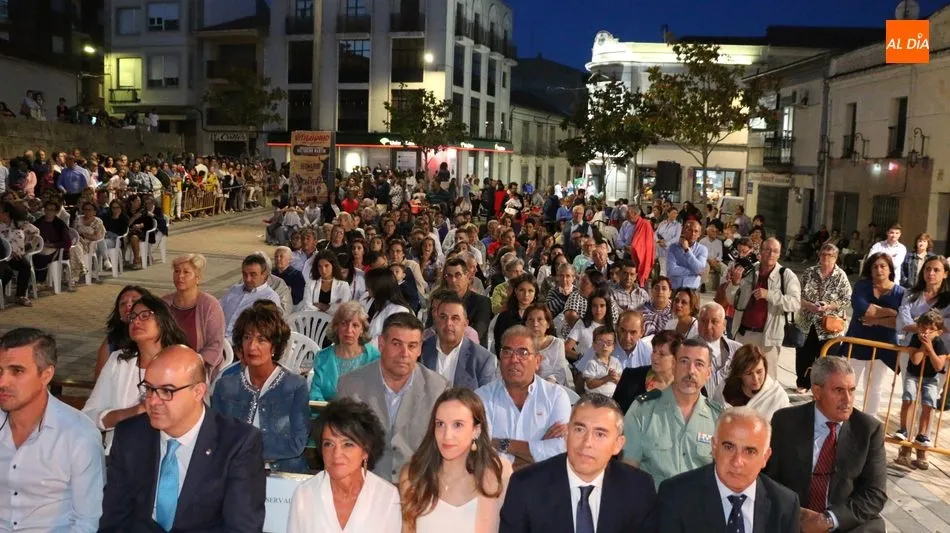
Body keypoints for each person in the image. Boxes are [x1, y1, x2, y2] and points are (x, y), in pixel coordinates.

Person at [99, 345, 267, 532]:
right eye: (149, 389)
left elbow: (241, 528)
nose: (153, 401)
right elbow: (114, 520)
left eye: (167, 391)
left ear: (198, 392)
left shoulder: (237, 444)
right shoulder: (130, 435)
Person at [499, 394, 659, 533]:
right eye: (579, 430)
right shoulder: (527, 486)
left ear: (618, 444)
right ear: (567, 434)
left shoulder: (638, 487)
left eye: (600, 434)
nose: (587, 443)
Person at [765, 356, 887, 533]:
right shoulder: (786, 421)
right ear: (817, 391)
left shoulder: (869, 430)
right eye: (838, 390)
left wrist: (829, 520)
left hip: (842, 522)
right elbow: (768, 478)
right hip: (794, 518)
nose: (847, 399)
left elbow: (875, 493)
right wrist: (795, 513)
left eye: (852, 390)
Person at [0, 328, 105, 532]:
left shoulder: (79, 435)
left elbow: (87, 522)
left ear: (46, 375)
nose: (2, 382)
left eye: (17, 371)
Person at [337, 312, 448, 482]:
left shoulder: (438, 389)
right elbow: (341, 446)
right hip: (365, 486)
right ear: (381, 344)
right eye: (397, 344)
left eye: (412, 346)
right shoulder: (351, 386)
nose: (404, 353)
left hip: (417, 487)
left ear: (420, 349)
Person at [656, 406, 800, 533]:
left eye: (749, 451)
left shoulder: (784, 504)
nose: (737, 462)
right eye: (729, 447)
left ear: (765, 457)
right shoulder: (676, 495)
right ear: (714, 448)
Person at [211, 301, 310, 473]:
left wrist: (247, 450)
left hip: (283, 475)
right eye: (247, 338)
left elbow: (297, 443)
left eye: (261, 339)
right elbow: (217, 438)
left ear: (274, 346)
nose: (252, 346)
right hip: (237, 474)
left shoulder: (295, 386)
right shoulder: (225, 386)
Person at [84, 293, 188, 454]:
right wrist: (131, 413)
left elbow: (195, 418)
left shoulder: (184, 362)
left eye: (145, 315)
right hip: (119, 453)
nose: (136, 321)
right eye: (132, 317)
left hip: (169, 454)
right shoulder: (118, 361)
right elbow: (88, 416)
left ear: (163, 320)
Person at [399, 388, 513, 533]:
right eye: (440, 424)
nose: (447, 435)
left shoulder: (498, 474)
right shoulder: (413, 476)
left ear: (476, 430)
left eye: (457, 425)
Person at [286, 398, 402, 533]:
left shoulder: (387, 496)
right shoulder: (304, 495)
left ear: (365, 451)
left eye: (347, 444)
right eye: (329, 444)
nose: (336, 454)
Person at [622, 338, 722, 488]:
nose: (691, 371)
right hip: (655, 500)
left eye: (699, 364)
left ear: (708, 373)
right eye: (684, 361)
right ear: (674, 366)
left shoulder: (719, 418)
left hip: (699, 501)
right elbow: (628, 470)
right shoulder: (643, 410)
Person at [476, 326, 572, 470]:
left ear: (538, 361)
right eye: (507, 352)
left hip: (544, 482)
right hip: (496, 483)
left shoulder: (555, 396)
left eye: (523, 353)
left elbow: (560, 450)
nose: (514, 359)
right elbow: (482, 454)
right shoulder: (481, 397)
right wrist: (539, 452)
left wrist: (503, 443)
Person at [726, 238, 801, 380]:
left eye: (775, 251)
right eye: (767, 250)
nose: (771, 254)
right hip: (744, 334)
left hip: (769, 338)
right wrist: (734, 284)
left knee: (767, 380)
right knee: (740, 378)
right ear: (760, 252)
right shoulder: (748, 271)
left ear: (779, 254)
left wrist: (769, 295)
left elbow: (795, 303)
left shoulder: (786, 275)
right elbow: (731, 300)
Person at [843, 252, 904, 418]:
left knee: (874, 387)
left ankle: (870, 420)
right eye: (875, 266)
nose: (879, 270)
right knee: (848, 384)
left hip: (883, 346)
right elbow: (863, 310)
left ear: (890, 269)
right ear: (869, 270)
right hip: (857, 342)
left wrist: (877, 319)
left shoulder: (900, 293)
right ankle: (845, 418)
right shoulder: (861, 286)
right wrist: (890, 312)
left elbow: (899, 321)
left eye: (883, 266)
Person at [794, 244, 852, 393]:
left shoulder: (841, 276)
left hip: (830, 325)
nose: (826, 258)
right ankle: (804, 383)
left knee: (828, 359)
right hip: (807, 320)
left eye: (830, 255)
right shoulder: (809, 272)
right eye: (823, 254)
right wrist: (809, 305)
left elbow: (847, 300)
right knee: (804, 354)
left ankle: (825, 387)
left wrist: (829, 306)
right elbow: (796, 295)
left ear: (836, 258)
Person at [893, 310, 947, 469]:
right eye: (923, 328)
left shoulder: (939, 343)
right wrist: (924, 345)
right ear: (918, 327)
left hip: (931, 378)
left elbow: (939, 366)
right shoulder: (915, 340)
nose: (926, 332)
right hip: (913, 375)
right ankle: (904, 430)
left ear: (939, 332)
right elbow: (916, 361)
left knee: (928, 404)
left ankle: (922, 435)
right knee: (908, 398)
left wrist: (930, 347)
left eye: (931, 329)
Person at [162, 254, 227, 371]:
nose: (180, 276)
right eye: (177, 271)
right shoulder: (164, 303)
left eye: (186, 272)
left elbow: (215, 345)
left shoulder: (210, 305)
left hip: (198, 368)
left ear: (198, 278)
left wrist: (191, 365)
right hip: (165, 365)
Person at [421, 292, 497, 389]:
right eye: (443, 317)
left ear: (465, 324)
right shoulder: (421, 350)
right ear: (436, 320)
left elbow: (485, 397)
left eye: (455, 318)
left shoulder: (483, 360)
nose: (448, 323)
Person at [309, 301, 382, 401]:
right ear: (336, 327)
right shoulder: (322, 357)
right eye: (344, 324)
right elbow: (315, 396)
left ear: (362, 330)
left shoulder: (374, 358)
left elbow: (377, 397)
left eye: (355, 325)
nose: (349, 330)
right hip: (328, 410)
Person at [713, 345, 790, 421]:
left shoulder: (778, 396)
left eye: (759, 372)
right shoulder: (724, 389)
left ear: (765, 368)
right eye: (748, 373)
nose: (755, 378)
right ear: (739, 373)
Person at [613, 331, 681, 414]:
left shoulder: (684, 388)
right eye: (654, 351)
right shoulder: (630, 376)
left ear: (675, 359)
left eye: (662, 354)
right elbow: (613, 410)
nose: (654, 357)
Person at [219, 254, 282, 337]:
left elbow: (266, 331)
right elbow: (217, 310)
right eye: (244, 274)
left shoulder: (270, 298)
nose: (247, 279)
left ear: (264, 275)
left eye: (253, 275)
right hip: (219, 338)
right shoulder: (234, 289)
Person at [441, 256, 493, 345]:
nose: (453, 280)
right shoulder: (440, 301)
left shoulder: (482, 303)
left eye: (458, 275)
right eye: (449, 276)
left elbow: (476, 335)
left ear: (467, 276)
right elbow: (431, 331)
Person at [96, 285, 146, 377]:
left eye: (135, 301)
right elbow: (99, 379)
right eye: (122, 303)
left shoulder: (159, 339)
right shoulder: (111, 343)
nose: (128, 305)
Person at [696, 302, 743, 396]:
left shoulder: (738, 350)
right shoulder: (687, 350)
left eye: (714, 321)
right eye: (704, 321)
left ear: (724, 324)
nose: (708, 327)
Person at [525, 303, 574, 388]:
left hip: (551, 387)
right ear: (525, 323)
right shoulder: (521, 344)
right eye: (531, 320)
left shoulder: (557, 343)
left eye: (540, 319)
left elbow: (559, 372)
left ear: (548, 324)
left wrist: (545, 387)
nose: (535, 324)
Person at [493, 274, 538, 356]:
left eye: (530, 291)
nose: (526, 294)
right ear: (515, 291)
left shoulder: (541, 315)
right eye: (522, 290)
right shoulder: (505, 316)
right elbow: (499, 345)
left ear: (535, 293)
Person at [362, 267, 414, 339]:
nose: (367, 288)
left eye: (369, 285)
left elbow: (392, 338)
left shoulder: (399, 310)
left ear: (380, 287)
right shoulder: (373, 300)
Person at [616, 206, 655, 288]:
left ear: (635, 213)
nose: (626, 215)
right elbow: (618, 241)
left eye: (628, 213)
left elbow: (649, 244)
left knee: (640, 283)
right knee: (626, 279)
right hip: (627, 255)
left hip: (640, 258)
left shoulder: (646, 225)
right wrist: (625, 246)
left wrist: (635, 249)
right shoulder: (625, 224)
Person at [304, 250, 352, 315]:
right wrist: (329, 308)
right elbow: (307, 307)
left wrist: (323, 306)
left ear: (333, 265)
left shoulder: (343, 285)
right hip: (313, 320)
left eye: (326, 266)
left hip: (335, 321)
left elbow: (342, 309)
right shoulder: (310, 284)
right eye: (320, 266)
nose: (323, 270)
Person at [666, 219, 708, 290]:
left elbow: (699, 269)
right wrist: (694, 271)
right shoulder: (673, 247)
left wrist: (687, 250)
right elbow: (671, 270)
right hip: (674, 288)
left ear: (699, 234)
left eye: (696, 231)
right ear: (683, 231)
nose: (693, 233)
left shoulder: (702, 249)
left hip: (692, 289)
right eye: (690, 230)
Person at [581, 326, 623, 395]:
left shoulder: (616, 362)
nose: (604, 346)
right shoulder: (592, 363)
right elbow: (590, 384)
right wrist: (607, 378)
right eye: (600, 342)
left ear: (613, 346)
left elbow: (621, 382)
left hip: (612, 396)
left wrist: (615, 377)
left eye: (609, 343)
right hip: (595, 397)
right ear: (594, 345)